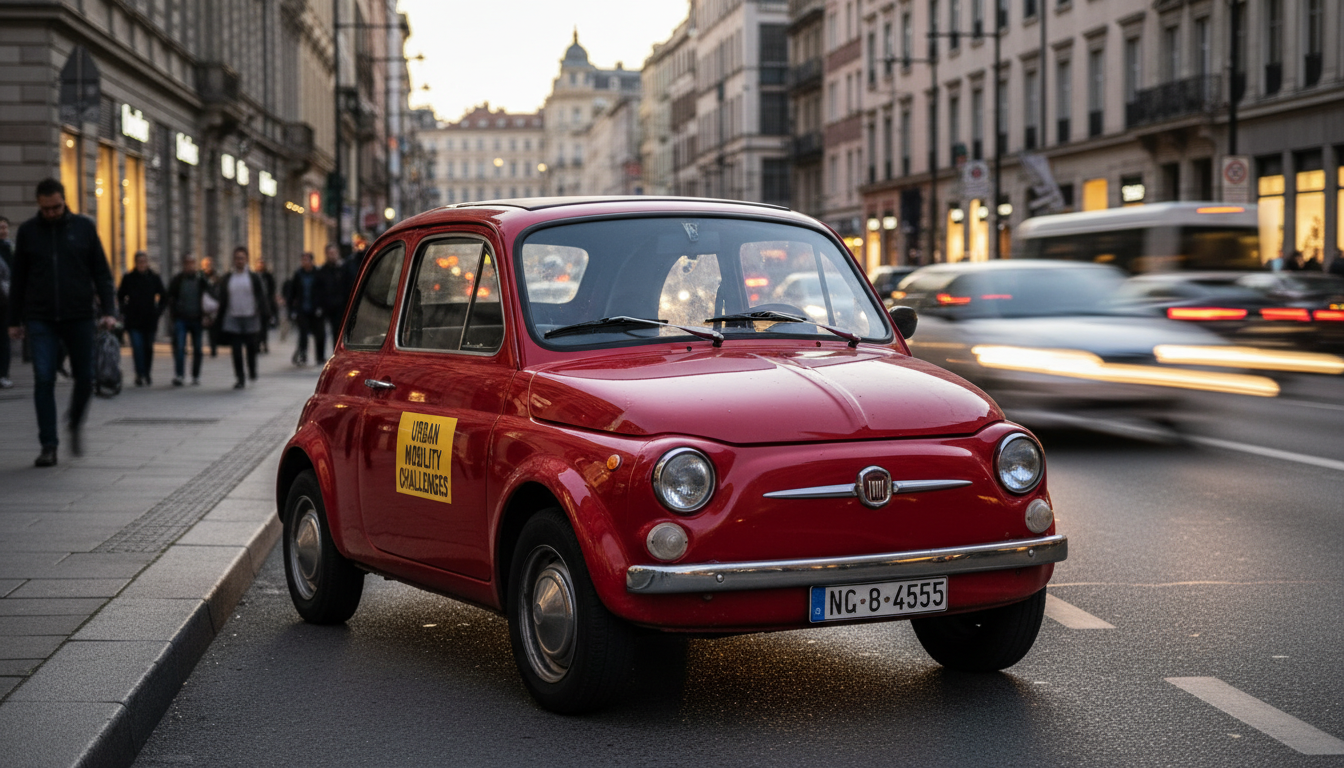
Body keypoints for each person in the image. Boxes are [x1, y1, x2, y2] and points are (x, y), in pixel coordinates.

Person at [7, 178, 117, 467]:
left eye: (56, 207)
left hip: (79, 314)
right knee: (43, 378)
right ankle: (49, 445)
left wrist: (109, 310)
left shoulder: (84, 228)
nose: (52, 213)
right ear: (38, 205)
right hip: (40, 316)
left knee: (85, 377)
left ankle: (75, 421)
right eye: (46, 209)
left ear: (64, 201)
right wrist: (14, 319)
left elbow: (101, 273)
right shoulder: (29, 232)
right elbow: (18, 280)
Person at [216, 246, 270, 389]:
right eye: (237, 258)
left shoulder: (253, 277)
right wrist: (219, 317)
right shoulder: (228, 278)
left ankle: (252, 370)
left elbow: (261, 296)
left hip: (250, 316)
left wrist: (264, 313)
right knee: (236, 350)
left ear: (246, 259)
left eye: (242, 258)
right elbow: (222, 298)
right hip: (233, 317)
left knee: (251, 348)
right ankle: (240, 377)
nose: (239, 260)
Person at [116, 250, 166, 387]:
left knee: (148, 348)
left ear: (147, 262)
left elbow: (163, 296)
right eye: (139, 262)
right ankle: (139, 374)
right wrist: (124, 310)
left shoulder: (154, 278)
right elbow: (120, 296)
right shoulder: (129, 278)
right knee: (137, 347)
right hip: (134, 320)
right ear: (135, 263)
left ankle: (147, 373)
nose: (142, 264)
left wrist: (158, 312)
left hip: (150, 319)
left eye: (144, 262)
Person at [166, 253, 211, 386]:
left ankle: (195, 375)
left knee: (197, 349)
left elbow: (209, 295)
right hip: (181, 319)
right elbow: (170, 297)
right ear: (184, 264)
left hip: (197, 318)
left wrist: (207, 315)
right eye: (187, 263)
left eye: (192, 263)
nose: (190, 265)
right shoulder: (178, 279)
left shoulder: (201, 279)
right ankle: (179, 375)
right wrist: (173, 314)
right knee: (179, 347)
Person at [285, 251, 327, 365]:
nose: (304, 262)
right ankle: (303, 354)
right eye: (303, 260)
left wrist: (321, 307)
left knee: (319, 334)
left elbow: (323, 292)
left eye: (307, 260)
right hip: (302, 309)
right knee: (303, 334)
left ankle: (320, 356)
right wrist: (292, 310)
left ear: (311, 261)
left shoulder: (318, 274)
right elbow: (292, 293)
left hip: (316, 309)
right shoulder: (298, 274)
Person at [318, 244, 349, 351]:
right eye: (330, 253)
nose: (332, 255)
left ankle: (338, 351)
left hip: (341, 305)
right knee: (326, 331)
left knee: (339, 331)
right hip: (328, 305)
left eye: (334, 253)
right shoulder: (323, 270)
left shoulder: (343, 269)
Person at [254, 256, 278, 354]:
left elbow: (272, 290)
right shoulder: (254, 276)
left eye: (262, 264)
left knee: (264, 327)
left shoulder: (268, 276)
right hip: (256, 305)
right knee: (257, 327)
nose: (260, 265)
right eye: (259, 264)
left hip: (266, 305)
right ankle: (257, 345)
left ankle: (264, 344)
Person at [200, 255, 220, 357]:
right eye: (205, 264)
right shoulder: (200, 276)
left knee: (213, 328)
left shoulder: (216, 276)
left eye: (209, 264)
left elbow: (219, 289)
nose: (208, 266)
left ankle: (213, 348)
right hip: (201, 306)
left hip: (213, 305)